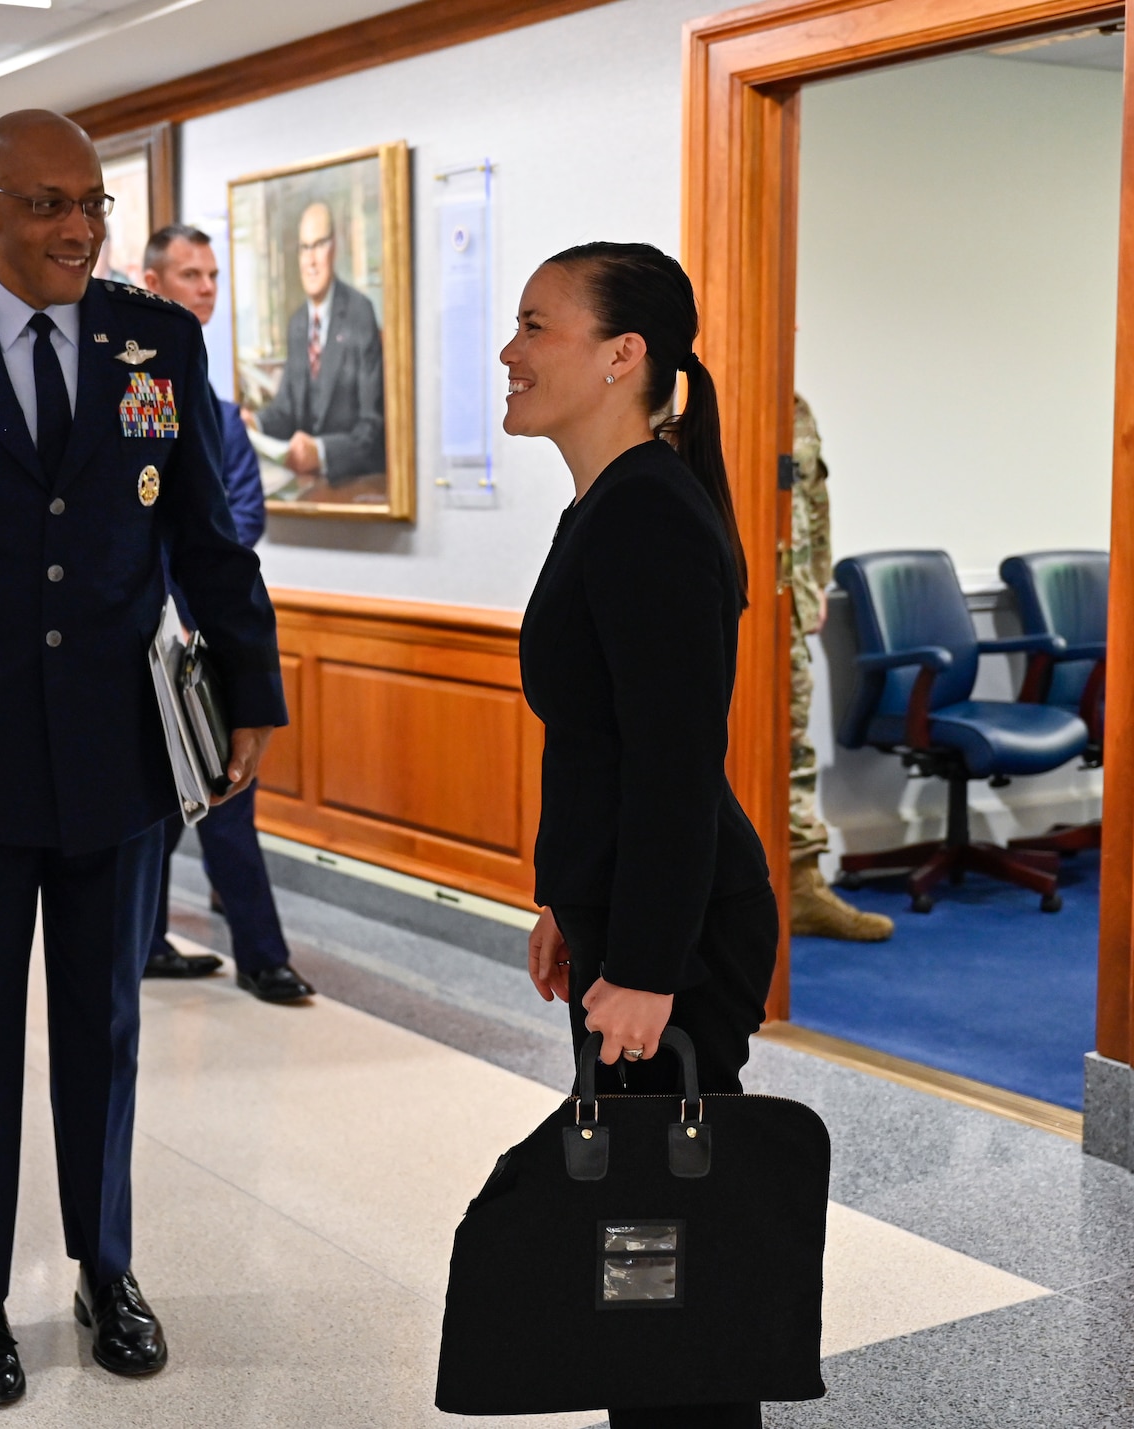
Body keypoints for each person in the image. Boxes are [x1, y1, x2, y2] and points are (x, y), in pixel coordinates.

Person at [0, 109, 287, 1407]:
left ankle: (105, 1265)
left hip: (117, 758)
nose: (76, 227)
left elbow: (206, 536)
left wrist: (250, 686)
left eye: (88, 201)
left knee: (105, 1028)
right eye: (43, 205)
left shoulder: (155, 339)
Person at [509, 241, 775, 1429]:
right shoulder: (611, 501)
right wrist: (567, 897)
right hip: (627, 911)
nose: (508, 354)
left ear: (622, 356)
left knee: (668, 1240)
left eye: (535, 327)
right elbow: (602, 746)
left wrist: (646, 969)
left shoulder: (647, 515)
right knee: (643, 1239)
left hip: (676, 933)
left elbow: (674, 769)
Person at [138, 223, 314, 1003]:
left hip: (202, 640)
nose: (205, 288)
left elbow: (235, 517)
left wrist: (199, 579)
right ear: (152, 283)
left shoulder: (219, 410)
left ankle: (261, 956)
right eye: (189, 274)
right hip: (137, 635)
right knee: (153, 809)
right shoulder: (131, 398)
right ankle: (144, 941)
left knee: (224, 791)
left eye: (212, 275)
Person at [787, 394, 892, 941]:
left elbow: (812, 498)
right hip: (725, 607)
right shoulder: (694, 395)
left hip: (789, 602)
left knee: (792, 750)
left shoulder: (793, 406)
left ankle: (801, 889)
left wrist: (817, 581)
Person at [251, 201, 386, 491]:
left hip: (354, 484)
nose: (310, 261)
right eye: (304, 248)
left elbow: (372, 427)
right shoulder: (298, 323)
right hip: (306, 488)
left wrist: (321, 451)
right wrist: (255, 424)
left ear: (334, 247)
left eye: (319, 245)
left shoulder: (360, 313)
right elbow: (287, 410)